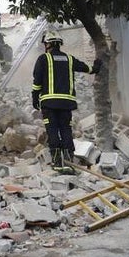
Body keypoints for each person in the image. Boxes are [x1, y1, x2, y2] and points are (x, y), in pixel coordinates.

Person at [31, 31, 100, 174]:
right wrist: (96, 65)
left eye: (45, 43)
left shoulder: (43, 59)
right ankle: (69, 160)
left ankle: (58, 162)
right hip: (66, 103)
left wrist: (34, 97)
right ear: (59, 44)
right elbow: (88, 69)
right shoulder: (69, 59)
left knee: (52, 130)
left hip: (49, 103)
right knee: (66, 129)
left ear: (48, 44)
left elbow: (37, 81)